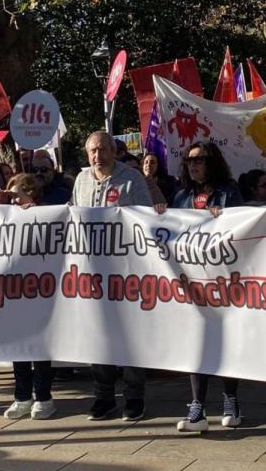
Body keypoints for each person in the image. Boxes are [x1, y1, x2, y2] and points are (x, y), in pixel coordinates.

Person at [71, 131, 153, 422]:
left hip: (126, 271)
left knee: (130, 335)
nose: (98, 155)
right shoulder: (81, 180)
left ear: (114, 151)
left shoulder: (131, 179)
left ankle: (134, 397)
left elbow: (146, 217)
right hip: (93, 273)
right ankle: (104, 397)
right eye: (93, 151)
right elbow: (72, 216)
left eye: (103, 149)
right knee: (99, 335)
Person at [171, 141, 245, 431]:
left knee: (226, 340)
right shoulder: (181, 196)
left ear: (212, 162)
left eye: (199, 159)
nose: (193, 165)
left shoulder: (229, 192)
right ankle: (197, 407)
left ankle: (231, 400)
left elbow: (241, 227)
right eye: (189, 160)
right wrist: (161, 212)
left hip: (222, 279)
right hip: (192, 280)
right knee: (196, 341)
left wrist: (224, 219)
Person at [0, 174, 57, 420]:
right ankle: (22, 396)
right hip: (14, 291)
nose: (13, 201)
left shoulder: (46, 214)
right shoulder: (7, 216)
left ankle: (43, 397)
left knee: (39, 347)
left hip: (39, 290)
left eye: (16, 196)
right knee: (18, 346)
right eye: (10, 197)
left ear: (30, 193)